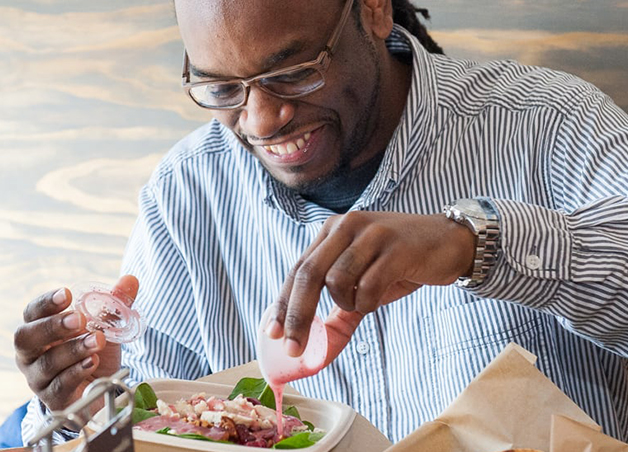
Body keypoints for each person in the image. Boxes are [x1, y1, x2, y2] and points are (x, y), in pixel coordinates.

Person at [15, 0, 628, 446]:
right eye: (222, 87)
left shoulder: (550, 125)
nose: (260, 120)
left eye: (292, 72)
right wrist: (88, 404)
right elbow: (158, 417)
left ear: (374, 10)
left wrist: (475, 245)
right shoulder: (186, 197)